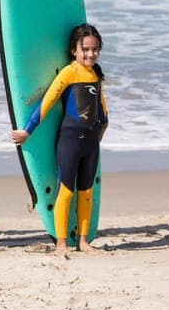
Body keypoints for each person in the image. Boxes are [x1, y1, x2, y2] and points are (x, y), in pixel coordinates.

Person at [11, 23, 108, 256]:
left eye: (95, 49)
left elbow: (102, 108)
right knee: (65, 190)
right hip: (70, 139)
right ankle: (61, 242)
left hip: (90, 142)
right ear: (73, 50)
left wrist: (102, 128)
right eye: (85, 49)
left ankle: (83, 241)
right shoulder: (69, 72)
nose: (90, 54)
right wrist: (27, 131)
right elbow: (48, 101)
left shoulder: (96, 74)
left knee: (86, 191)